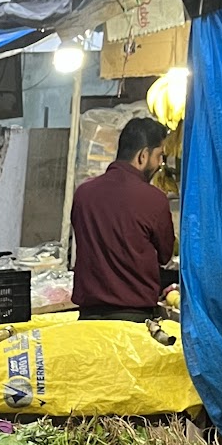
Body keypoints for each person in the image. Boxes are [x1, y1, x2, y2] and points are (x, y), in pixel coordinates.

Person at [71, 116, 175, 321]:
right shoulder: (154, 200)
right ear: (143, 156)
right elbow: (165, 255)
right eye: (159, 156)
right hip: (133, 321)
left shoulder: (83, 194)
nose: (160, 164)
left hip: (87, 320)